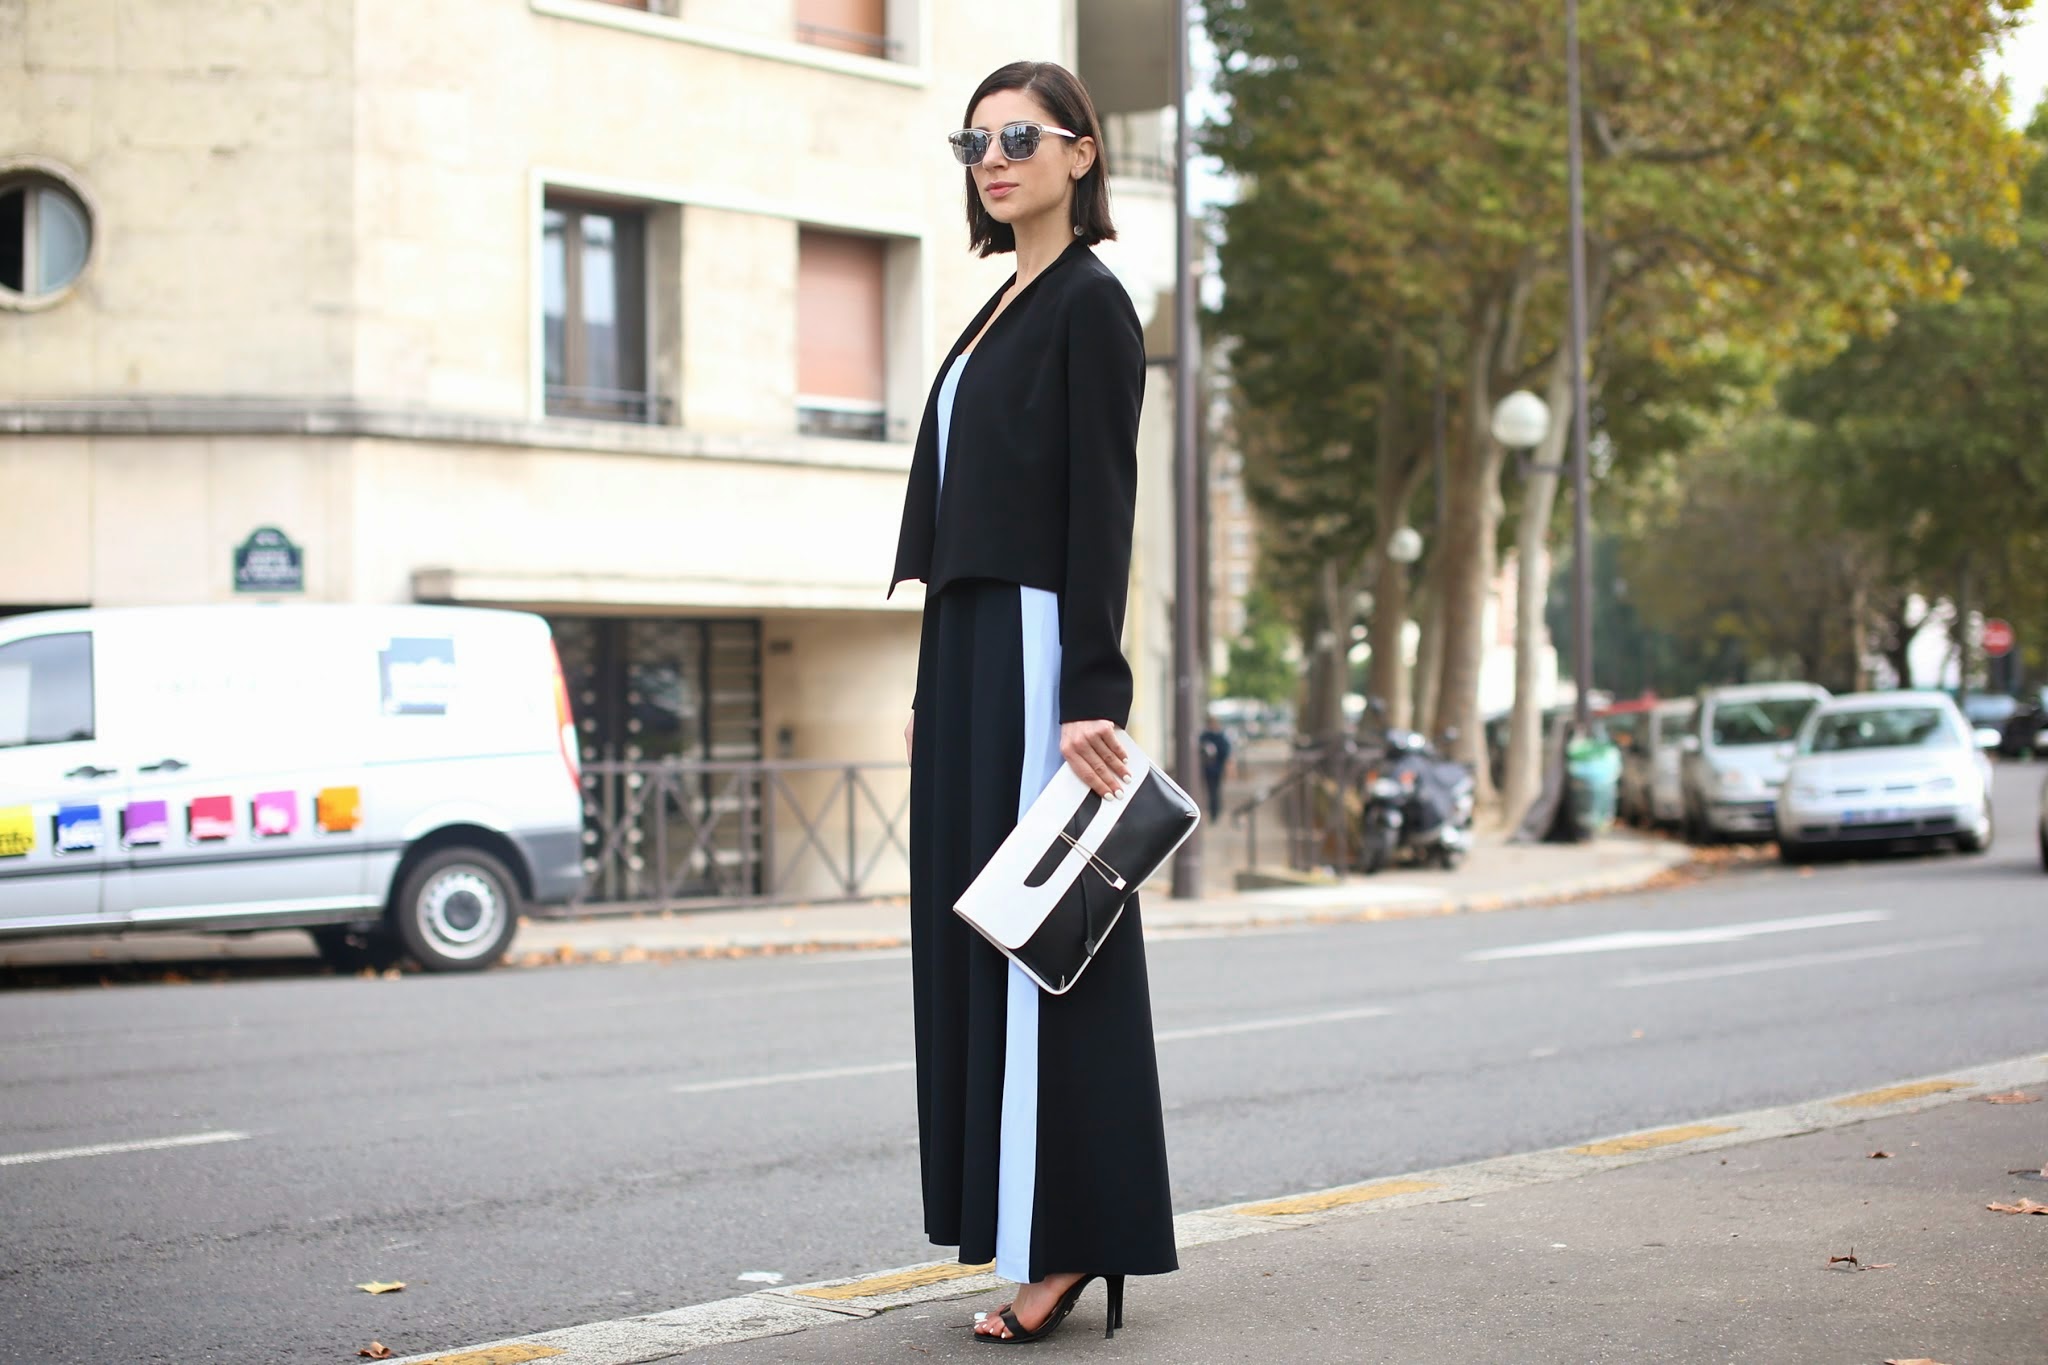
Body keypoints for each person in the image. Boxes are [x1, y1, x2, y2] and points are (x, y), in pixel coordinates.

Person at [887, 59, 1177, 1345]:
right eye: (974, 141)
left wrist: (1089, 690)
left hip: (1031, 643)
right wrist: (933, 681)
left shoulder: (1091, 305)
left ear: (1080, 154)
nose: (992, 158)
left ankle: (1067, 1240)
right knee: (981, 928)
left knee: (1045, 932)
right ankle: (1025, 1223)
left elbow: (1100, 509)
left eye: (1018, 136)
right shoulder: (996, 305)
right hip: (969, 644)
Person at [1198, 715, 1233, 819]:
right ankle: (1212, 810)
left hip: (1216, 769)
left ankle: (1215, 812)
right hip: (1207, 768)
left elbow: (1225, 753)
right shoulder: (1205, 736)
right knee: (1210, 791)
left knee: (1215, 791)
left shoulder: (1220, 737)